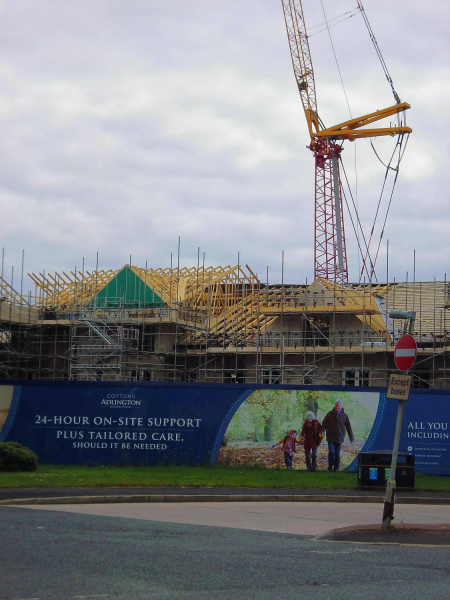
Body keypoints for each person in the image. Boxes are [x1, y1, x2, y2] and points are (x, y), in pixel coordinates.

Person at [320, 399, 354, 472]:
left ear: (341, 407)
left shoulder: (345, 416)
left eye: (338, 406)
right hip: (330, 437)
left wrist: (351, 438)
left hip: (339, 437)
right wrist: (322, 431)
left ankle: (336, 467)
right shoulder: (329, 414)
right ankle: (330, 466)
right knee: (332, 452)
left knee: (337, 454)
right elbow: (324, 424)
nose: (337, 407)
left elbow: (348, 427)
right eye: (336, 406)